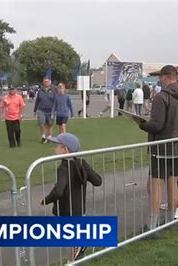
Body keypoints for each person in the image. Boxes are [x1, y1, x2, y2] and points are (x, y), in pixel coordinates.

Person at [134, 65, 178, 229]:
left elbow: (157, 125)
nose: (159, 80)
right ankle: (170, 221)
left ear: (166, 77)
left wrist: (142, 124)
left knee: (156, 185)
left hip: (162, 147)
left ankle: (153, 225)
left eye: (160, 77)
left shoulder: (161, 97)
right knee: (173, 183)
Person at [41, 133, 102, 261]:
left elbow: (58, 191)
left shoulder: (63, 168)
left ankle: (74, 257)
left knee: (69, 244)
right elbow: (97, 181)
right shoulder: (81, 163)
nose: (54, 148)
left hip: (65, 211)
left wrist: (46, 200)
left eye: (57, 146)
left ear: (65, 149)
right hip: (79, 209)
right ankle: (80, 248)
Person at [34, 77, 56, 143]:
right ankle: (43, 136)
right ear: (43, 83)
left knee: (50, 124)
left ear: (50, 82)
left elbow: (56, 100)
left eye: (47, 81)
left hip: (50, 110)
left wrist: (55, 109)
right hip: (41, 109)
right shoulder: (40, 91)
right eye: (45, 82)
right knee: (41, 122)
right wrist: (35, 110)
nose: (46, 83)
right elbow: (37, 101)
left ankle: (49, 137)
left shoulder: (53, 90)